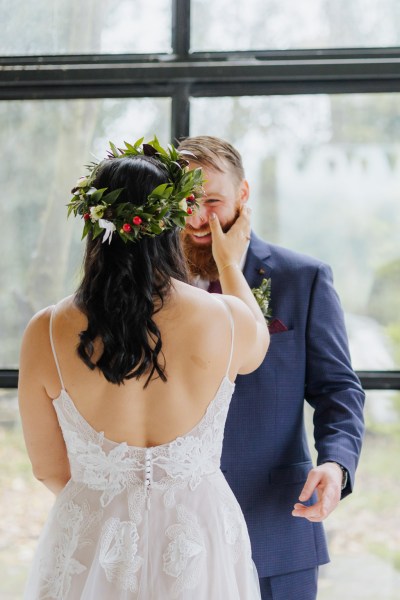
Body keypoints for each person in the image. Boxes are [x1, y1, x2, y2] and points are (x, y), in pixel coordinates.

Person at [18, 137, 270, 599]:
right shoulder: (227, 321)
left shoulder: (46, 331)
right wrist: (229, 264)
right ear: (170, 224)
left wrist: (110, 511)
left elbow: (47, 468)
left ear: (95, 226)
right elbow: (258, 340)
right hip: (199, 540)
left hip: (94, 543)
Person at [177, 135, 365, 600]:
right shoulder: (151, 284)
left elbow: (338, 388)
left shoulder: (303, 278)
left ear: (243, 195)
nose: (198, 218)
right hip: (173, 529)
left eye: (212, 201)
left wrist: (336, 464)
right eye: (185, 202)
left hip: (275, 522)